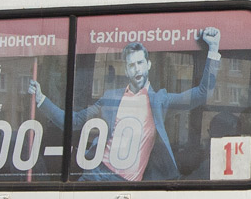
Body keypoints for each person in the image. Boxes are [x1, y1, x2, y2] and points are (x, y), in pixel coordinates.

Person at [27, 28, 221, 182]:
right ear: (126, 70)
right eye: (131, 65)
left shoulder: (161, 101)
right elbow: (75, 122)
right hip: (95, 175)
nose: (136, 69)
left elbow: (203, 93)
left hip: (127, 185)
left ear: (148, 65)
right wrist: (41, 99)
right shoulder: (110, 98)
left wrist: (213, 49)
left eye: (139, 63)